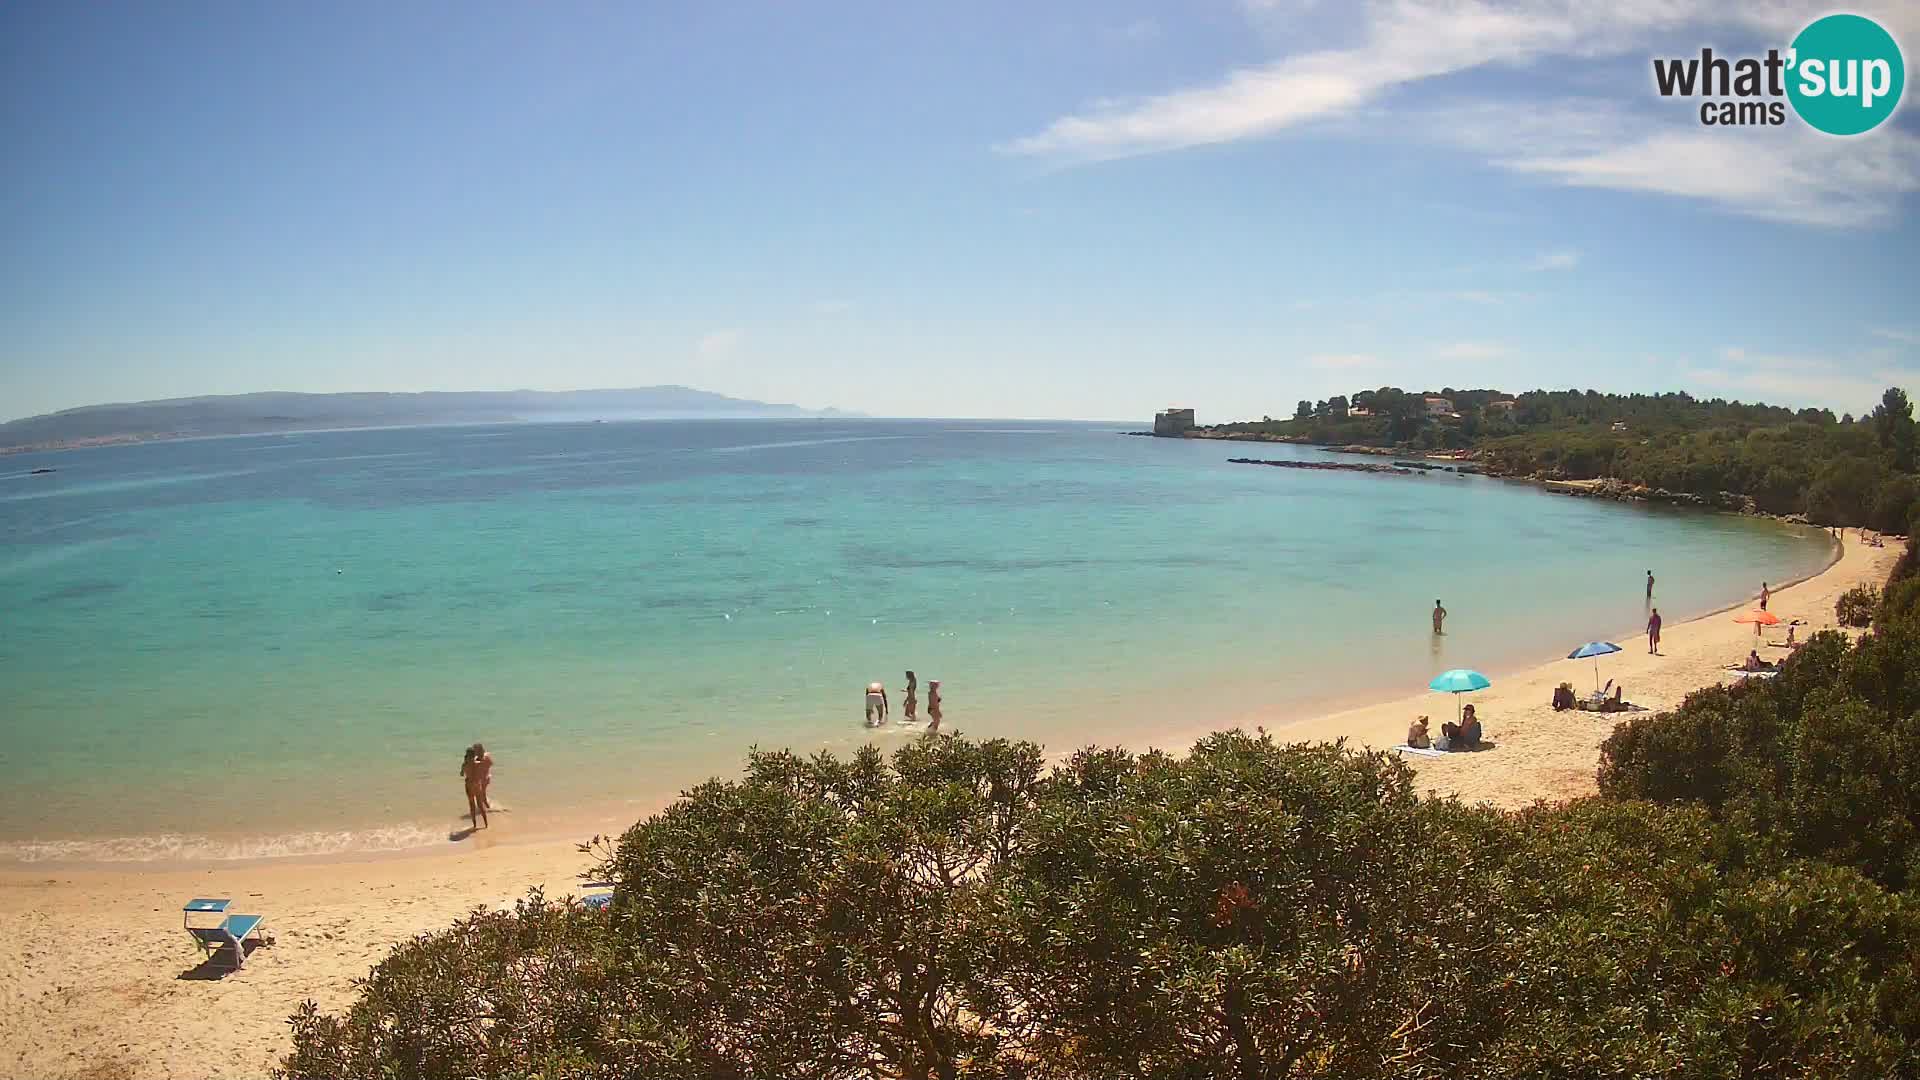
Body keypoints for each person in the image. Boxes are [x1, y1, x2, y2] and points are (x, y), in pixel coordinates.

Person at [459, 744, 489, 831]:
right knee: (480, 805)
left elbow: (461, 774)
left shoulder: (464, 765)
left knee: (472, 805)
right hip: (477, 785)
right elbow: (484, 767)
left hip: (469, 785)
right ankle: (486, 825)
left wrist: (465, 763)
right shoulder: (478, 763)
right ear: (474, 755)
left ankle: (475, 825)